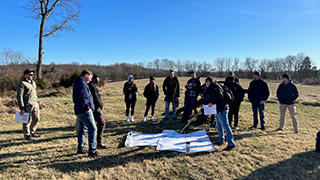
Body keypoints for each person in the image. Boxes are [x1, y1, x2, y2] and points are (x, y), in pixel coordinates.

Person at [201, 76, 236, 151]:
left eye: (206, 82)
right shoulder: (210, 88)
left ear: (209, 82)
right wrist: (203, 109)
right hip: (217, 110)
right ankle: (221, 140)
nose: (205, 83)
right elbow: (209, 100)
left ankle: (231, 143)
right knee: (218, 126)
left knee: (225, 126)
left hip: (222, 109)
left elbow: (220, 96)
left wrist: (212, 102)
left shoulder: (215, 87)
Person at [73, 69, 101, 158]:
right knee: (93, 129)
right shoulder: (82, 84)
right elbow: (83, 97)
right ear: (86, 75)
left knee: (82, 129)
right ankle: (92, 151)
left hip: (79, 111)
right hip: (84, 111)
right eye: (90, 77)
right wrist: (87, 108)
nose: (90, 80)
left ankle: (81, 148)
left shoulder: (78, 83)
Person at [16, 69, 41, 141]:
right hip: (27, 105)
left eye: (32, 74)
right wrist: (22, 107)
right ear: (25, 75)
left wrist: (37, 101)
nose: (32, 76)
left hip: (35, 103)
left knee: (36, 118)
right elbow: (19, 96)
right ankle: (27, 135)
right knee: (26, 120)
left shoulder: (33, 82)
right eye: (30, 74)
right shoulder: (21, 83)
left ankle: (32, 132)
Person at [88, 73, 107, 149]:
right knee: (101, 123)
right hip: (95, 108)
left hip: (94, 107)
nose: (98, 80)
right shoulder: (91, 86)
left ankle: (95, 143)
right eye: (97, 79)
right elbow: (95, 97)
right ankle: (99, 142)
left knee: (94, 125)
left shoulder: (92, 85)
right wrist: (100, 105)